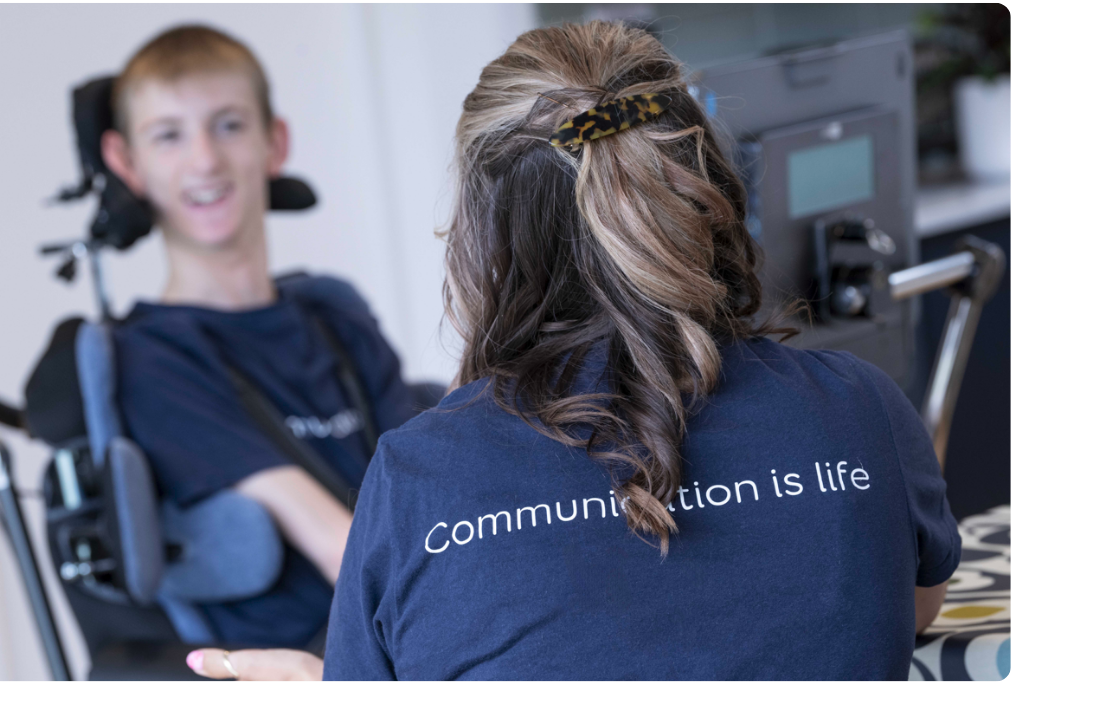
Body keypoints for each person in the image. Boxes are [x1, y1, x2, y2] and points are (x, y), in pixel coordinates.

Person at [188, 20, 959, 681]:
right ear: (709, 187)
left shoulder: (418, 479)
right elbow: (911, 605)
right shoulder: (861, 409)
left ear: (485, 237)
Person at [100, 25, 418, 649]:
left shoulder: (335, 316)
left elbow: (423, 498)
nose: (205, 161)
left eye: (229, 125)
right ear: (126, 163)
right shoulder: (151, 358)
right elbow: (339, 548)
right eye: (169, 135)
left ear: (275, 143)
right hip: (315, 649)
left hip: (406, 621)